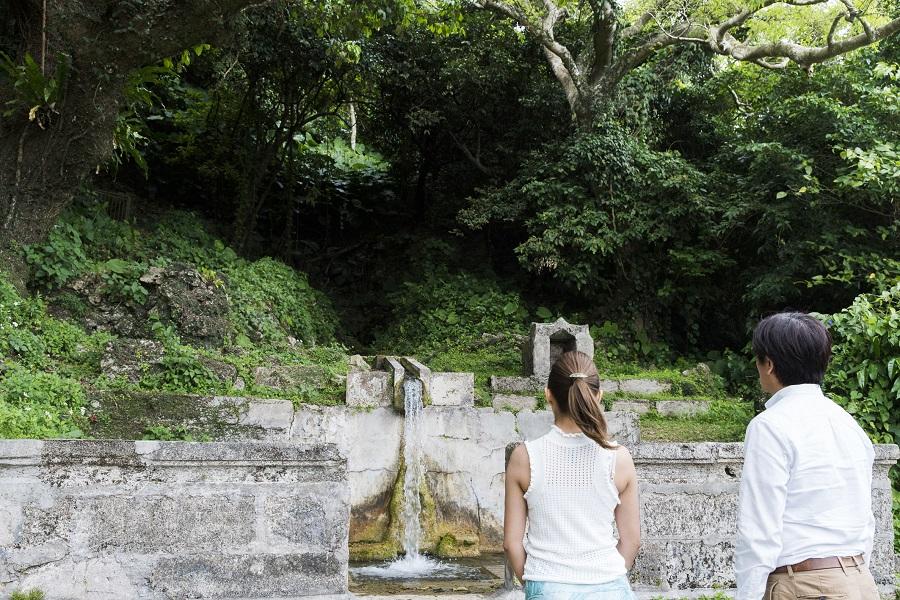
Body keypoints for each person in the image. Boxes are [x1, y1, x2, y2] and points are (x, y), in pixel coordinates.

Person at [736, 312, 878, 600]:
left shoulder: (770, 426)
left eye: (759, 359)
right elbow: (866, 521)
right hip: (859, 581)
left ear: (770, 364)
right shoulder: (848, 424)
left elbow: (759, 529)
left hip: (805, 586)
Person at [504, 350, 641, 600]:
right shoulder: (619, 458)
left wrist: (538, 582)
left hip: (548, 585)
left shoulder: (524, 457)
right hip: (609, 584)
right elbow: (631, 541)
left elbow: (511, 544)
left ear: (548, 395)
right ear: (598, 396)